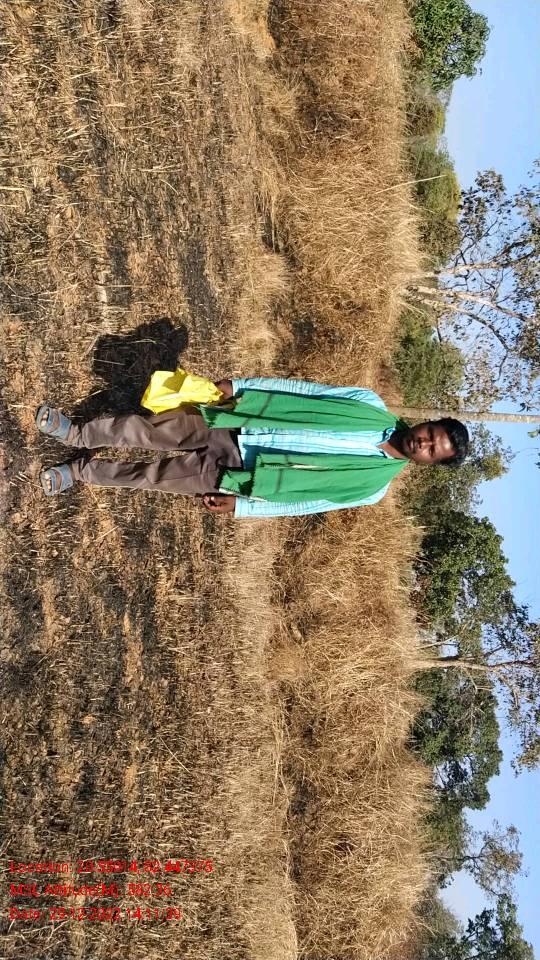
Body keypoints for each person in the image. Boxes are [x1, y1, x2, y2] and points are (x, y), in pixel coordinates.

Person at [36, 375, 469, 516]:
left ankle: (79, 472)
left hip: (242, 474)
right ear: (428, 422)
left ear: (429, 463)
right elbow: (305, 391)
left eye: (432, 450)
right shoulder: (370, 405)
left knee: (153, 478)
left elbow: (305, 502)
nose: (423, 442)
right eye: (431, 433)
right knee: (150, 431)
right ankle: (78, 434)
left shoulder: (371, 488)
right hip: (240, 421)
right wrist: (242, 386)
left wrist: (244, 507)